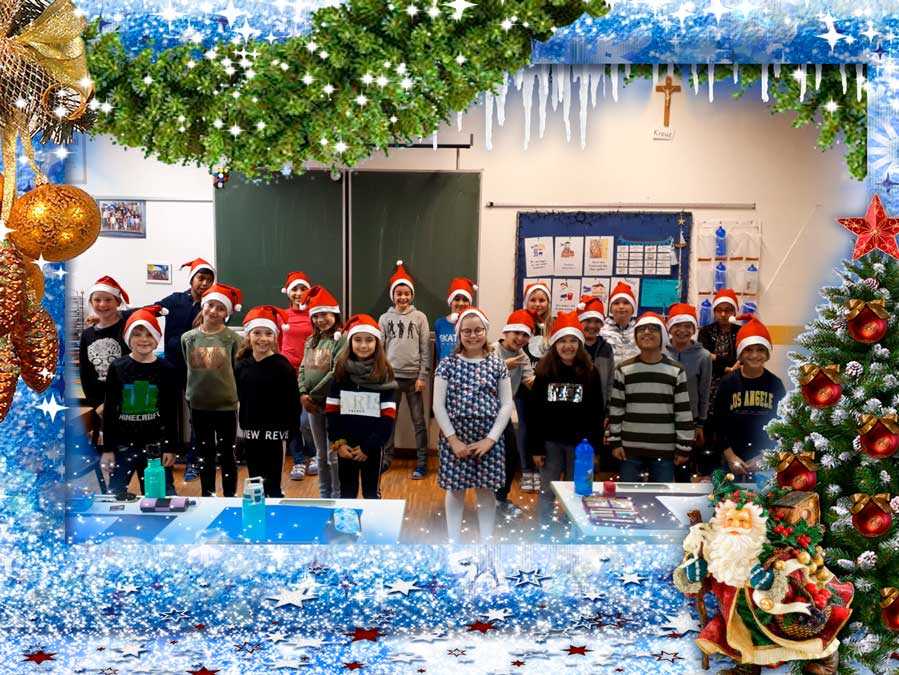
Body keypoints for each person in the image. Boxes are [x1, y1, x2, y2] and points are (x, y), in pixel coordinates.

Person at [674, 471, 852, 675]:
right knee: (741, 638)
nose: (735, 526)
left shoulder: (768, 550)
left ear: (755, 525)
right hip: (736, 613)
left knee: (803, 631)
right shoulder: (713, 549)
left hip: (773, 612)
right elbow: (698, 584)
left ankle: (827, 660)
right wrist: (693, 573)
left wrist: (769, 582)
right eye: (730, 520)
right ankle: (746, 667)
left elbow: (791, 575)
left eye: (743, 521)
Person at [87, 258, 217, 480]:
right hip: (172, 366)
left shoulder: (212, 306)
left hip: (198, 368)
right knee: (165, 410)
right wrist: (109, 316)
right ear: (192, 279)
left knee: (197, 416)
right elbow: (147, 311)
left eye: (209, 279)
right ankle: (165, 451)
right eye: (201, 278)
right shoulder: (176, 300)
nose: (204, 283)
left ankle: (194, 463)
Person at [433, 308, 513, 543]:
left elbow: (506, 404)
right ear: (459, 334)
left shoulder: (497, 364)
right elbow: (438, 406)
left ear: (485, 332)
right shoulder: (447, 365)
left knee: (486, 490)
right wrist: (453, 440)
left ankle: (486, 540)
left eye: (478, 330)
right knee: (456, 489)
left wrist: (490, 439)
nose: (473, 335)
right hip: (455, 438)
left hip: (488, 439)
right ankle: (454, 541)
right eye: (466, 331)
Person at [528, 311, 604, 524]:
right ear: (555, 344)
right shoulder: (544, 372)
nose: (568, 346)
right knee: (548, 490)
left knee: (578, 490)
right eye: (562, 341)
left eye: (573, 341)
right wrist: (536, 448)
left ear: (580, 344)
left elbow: (597, 413)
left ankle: (574, 528)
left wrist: (595, 449)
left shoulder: (591, 372)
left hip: (581, 446)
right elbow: (535, 413)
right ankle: (544, 528)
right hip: (550, 444)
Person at [101, 305, 179, 496]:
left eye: (149, 334)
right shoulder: (117, 367)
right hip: (123, 445)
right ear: (128, 337)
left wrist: (170, 447)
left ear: (157, 338)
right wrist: (108, 449)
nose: (144, 339)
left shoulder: (167, 369)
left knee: (160, 497)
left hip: (156, 447)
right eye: (137, 334)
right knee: (115, 496)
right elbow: (110, 410)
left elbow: (170, 411)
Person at [608, 312, 694, 483]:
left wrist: (683, 446)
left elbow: (683, 411)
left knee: (661, 496)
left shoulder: (676, 370)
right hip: (630, 449)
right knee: (628, 496)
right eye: (641, 329)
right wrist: (615, 442)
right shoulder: (623, 369)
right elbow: (616, 409)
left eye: (653, 329)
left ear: (663, 336)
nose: (646, 332)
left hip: (664, 450)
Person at [325, 314, 397, 499]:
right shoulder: (341, 372)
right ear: (350, 342)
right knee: (347, 493)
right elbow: (332, 411)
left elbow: (388, 416)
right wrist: (339, 443)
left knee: (371, 493)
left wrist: (369, 447)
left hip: (371, 448)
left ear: (377, 343)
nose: (363, 345)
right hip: (345, 447)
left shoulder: (384, 374)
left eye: (369, 340)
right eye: (357, 340)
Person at [181, 283, 242, 497]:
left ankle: (229, 496)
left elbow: (236, 369)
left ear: (227, 313)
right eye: (211, 305)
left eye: (221, 308)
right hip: (199, 406)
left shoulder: (233, 339)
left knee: (227, 454)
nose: (214, 311)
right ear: (203, 306)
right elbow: (189, 367)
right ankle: (207, 495)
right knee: (204, 454)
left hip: (225, 407)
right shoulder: (188, 338)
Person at [235, 305, 300, 498]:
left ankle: (275, 505)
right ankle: (258, 509)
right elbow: (240, 397)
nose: (263, 339)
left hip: (275, 433)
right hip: (251, 431)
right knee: (255, 479)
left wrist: (290, 430)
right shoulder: (242, 366)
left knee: (273, 481)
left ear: (275, 337)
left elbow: (292, 402)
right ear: (248, 336)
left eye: (268, 334)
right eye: (257, 333)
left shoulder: (282, 366)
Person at [712, 315, 786, 478]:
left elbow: (782, 425)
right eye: (749, 349)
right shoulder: (728, 382)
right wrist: (730, 456)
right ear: (740, 354)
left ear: (767, 354)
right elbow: (718, 423)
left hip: (764, 461)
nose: (754, 355)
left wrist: (764, 457)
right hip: (730, 461)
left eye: (760, 349)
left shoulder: (775, 384)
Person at [379, 260, 431, 479]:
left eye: (407, 293)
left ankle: (422, 462)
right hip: (391, 379)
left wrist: (423, 375)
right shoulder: (385, 318)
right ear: (393, 295)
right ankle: (386, 458)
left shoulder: (420, 317)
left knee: (419, 422)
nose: (403, 297)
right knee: (389, 420)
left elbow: (425, 348)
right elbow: (379, 349)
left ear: (412, 295)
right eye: (399, 293)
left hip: (414, 380)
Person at [297, 285, 346, 498]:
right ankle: (324, 496)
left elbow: (336, 371)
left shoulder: (342, 339)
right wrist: (302, 394)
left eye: (324, 314)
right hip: (312, 405)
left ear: (335, 314)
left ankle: (337, 497)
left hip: (333, 404)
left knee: (333, 455)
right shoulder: (311, 340)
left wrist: (312, 396)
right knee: (321, 455)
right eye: (315, 316)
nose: (320, 320)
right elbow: (302, 368)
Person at [492, 309, 539, 517]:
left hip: (504, 413)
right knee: (487, 458)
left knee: (511, 455)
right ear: (506, 332)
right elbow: (478, 372)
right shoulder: (491, 350)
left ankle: (500, 499)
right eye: (516, 333)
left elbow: (530, 383)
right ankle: (487, 501)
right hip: (483, 412)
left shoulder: (523, 357)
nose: (520, 338)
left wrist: (546, 376)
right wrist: (504, 366)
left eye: (525, 335)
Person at [79, 276, 130, 448]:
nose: (102, 304)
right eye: (97, 300)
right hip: (100, 404)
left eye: (108, 300)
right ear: (91, 303)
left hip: (126, 401)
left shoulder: (127, 329)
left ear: (118, 302)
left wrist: (117, 404)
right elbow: (86, 373)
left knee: (128, 449)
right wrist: (97, 404)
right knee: (108, 450)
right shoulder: (87, 335)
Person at [665, 303, 713, 481]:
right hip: (662, 418)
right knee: (661, 467)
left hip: (688, 420)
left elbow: (704, 392)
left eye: (687, 326)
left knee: (683, 469)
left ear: (694, 329)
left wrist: (700, 424)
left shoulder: (704, 356)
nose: (682, 330)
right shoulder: (660, 352)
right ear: (670, 328)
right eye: (677, 325)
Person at [278, 271, 317, 481]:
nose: (299, 293)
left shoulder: (315, 315)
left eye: (303, 289)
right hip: (287, 374)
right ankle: (299, 461)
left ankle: (315, 454)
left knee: (306, 421)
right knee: (291, 421)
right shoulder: (281, 315)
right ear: (288, 292)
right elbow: (276, 343)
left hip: (310, 374)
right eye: (295, 289)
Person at [517, 281, 553, 494]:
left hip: (545, 388)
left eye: (542, 300)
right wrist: (525, 378)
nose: (537, 304)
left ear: (548, 303)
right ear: (526, 302)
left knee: (544, 428)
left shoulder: (553, 326)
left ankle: (540, 471)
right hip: (523, 387)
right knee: (525, 427)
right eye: (533, 300)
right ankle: (526, 470)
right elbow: (512, 351)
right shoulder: (520, 323)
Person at [698, 288, 740, 420]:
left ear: (734, 312)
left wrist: (716, 357)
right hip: (710, 381)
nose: (723, 314)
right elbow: (704, 359)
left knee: (731, 417)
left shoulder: (741, 332)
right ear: (714, 312)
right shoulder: (705, 332)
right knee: (709, 418)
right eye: (719, 310)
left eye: (728, 310)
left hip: (735, 381)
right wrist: (727, 368)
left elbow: (741, 359)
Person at [576, 295, 614, 402]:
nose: (592, 326)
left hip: (599, 405)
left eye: (597, 321)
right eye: (587, 321)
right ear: (579, 321)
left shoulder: (606, 349)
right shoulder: (573, 347)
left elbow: (610, 382)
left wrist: (608, 407)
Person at [434, 277, 476, 366]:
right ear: (450, 301)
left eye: (465, 300)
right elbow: (439, 351)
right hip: (445, 370)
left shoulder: (473, 324)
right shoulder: (440, 324)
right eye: (457, 299)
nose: (461, 303)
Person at [600, 281, 639, 363]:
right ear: (611, 308)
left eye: (626, 303)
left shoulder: (639, 331)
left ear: (633, 308)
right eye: (616, 303)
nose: (621, 306)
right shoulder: (600, 331)